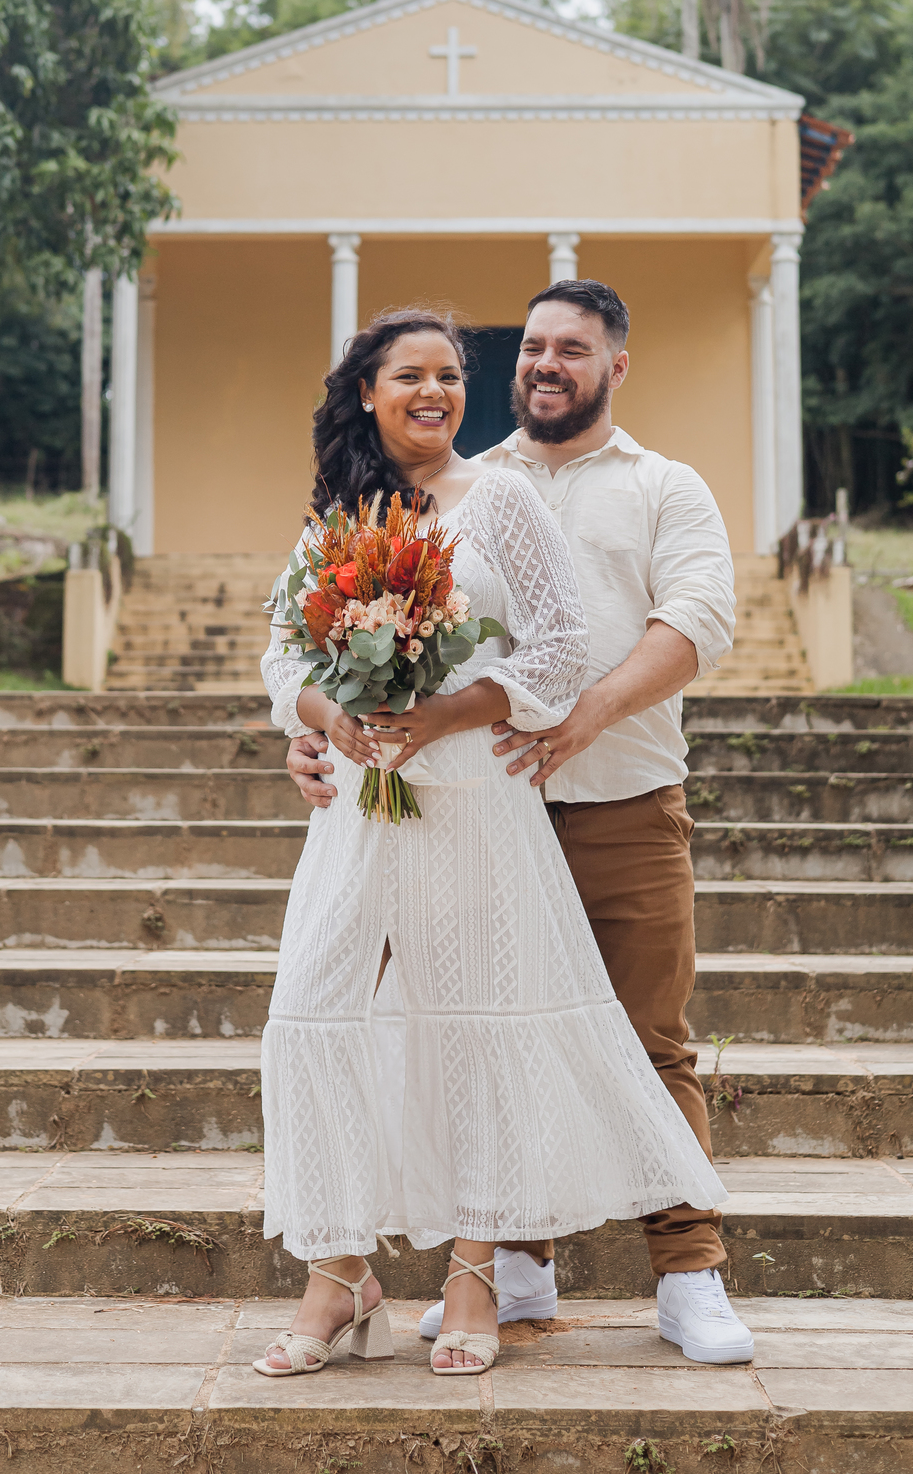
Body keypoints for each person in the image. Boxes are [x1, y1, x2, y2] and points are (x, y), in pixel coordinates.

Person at [256, 307, 728, 1381]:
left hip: (476, 797)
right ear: (367, 394)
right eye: (410, 376)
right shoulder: (340, 509)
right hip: (360, 811)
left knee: (479, 1023)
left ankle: (476, 1268)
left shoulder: (502, 496)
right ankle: (340, 1272)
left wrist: (452, 711)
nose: (436, 392)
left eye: (451, 375)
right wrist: (327, 721)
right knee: (311, 1014)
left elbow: (560, 644)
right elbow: (285, 651)